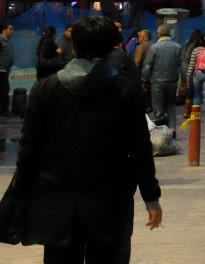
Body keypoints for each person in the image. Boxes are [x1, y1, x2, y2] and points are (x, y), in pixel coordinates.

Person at [12, 15, 162, 260]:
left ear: (74, 45)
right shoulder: (126, 90)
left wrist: (20, 193)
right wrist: (151, 197)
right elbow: (139, 149)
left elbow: (29, 147)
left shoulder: (45, 88)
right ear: (111, 47)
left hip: (57, 199)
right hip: (110, 201)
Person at [142, 23, 182, 128]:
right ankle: (172, 128)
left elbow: (147, 66)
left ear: (158, 34)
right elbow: (182, 65)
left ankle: (162, 130)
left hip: (157, 82)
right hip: (172, 81)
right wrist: (184, 81)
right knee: (171, 106)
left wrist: (145, 81)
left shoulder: (154, 47)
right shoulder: (177, 47)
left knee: (158, 108)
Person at [0, 23, 13, 115]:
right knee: (4, 90)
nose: (12, 31)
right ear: (4, 30)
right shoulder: (0, 40)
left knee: (3, 90)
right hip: (1, 70)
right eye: (10, 29)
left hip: (5, 70)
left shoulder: (8, 40)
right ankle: (4, 111)